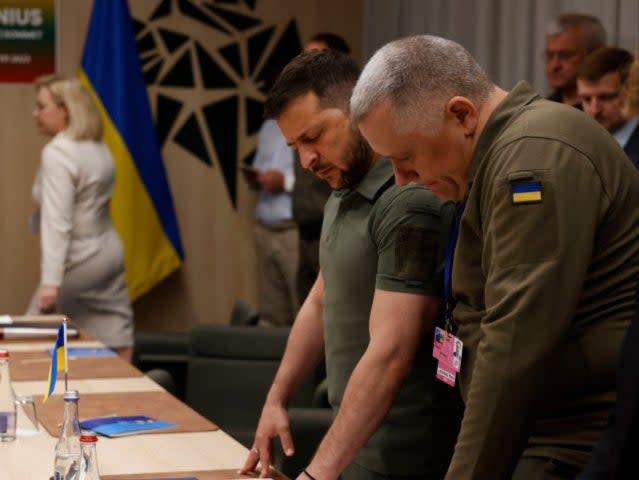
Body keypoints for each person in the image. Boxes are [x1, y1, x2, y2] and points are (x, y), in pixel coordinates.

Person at [352, 34, 639, 479]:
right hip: (538, 427)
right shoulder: (502, 153)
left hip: (571, 439)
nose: (403, 180)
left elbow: (513, 344)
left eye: (406, 158)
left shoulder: (534, 156)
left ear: (462, 114)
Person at [239, 49, 462, 480]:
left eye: (314, 137)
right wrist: (276, 398)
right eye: (295, 148)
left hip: (400, 452)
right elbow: (322, 299)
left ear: (359, 110)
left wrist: (315, 474)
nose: (306, 161)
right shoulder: (343, 192)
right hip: (353, 441)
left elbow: (392, 351)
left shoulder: (407, 200)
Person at [27, 75, 134, 360]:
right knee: (115, 330)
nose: (36, 114)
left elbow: (57, 222)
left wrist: (51, 281)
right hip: (108, 251)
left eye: (42, 106)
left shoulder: (58, 153)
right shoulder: (98, 148)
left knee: (29, 333)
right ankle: (122, 396)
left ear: (66, 108)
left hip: (78, 258)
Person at [294, 33, 351, 304]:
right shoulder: (300, 114)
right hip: (306, 232)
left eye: (314, 58)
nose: (307, 159)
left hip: (337, 230)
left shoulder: (346, 116)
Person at [244, 60, 299, 327]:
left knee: (302, 311)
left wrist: (285, 183)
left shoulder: (308, 126)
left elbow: (322, 184)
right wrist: (255, 178)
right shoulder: (268, 127)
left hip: (294, 229)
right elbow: (263, 166)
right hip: (265, 225)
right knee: (271, 314)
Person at [577, 47, 639, 168]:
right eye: (586, 99)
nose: (595, 110)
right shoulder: (573, 143)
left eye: (606, 97)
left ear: (631, 92)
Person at [544, 13, 606, 108]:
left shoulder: (603, 113)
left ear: (595, 54)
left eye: (566, 56)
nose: (554, 65)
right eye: (550, 55)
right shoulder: (543, 108)